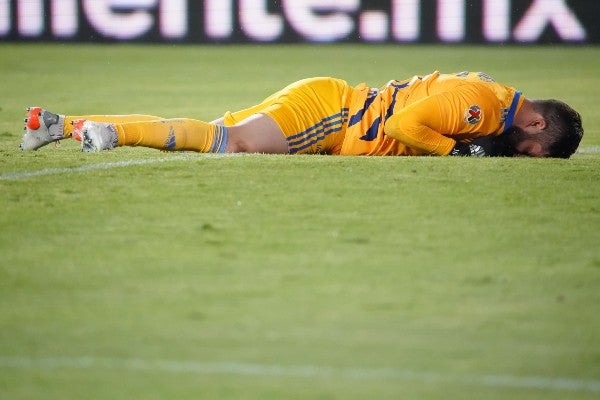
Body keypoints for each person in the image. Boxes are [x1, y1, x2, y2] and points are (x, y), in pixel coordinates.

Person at [20, 71, 583, 158]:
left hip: (328, 105)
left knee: (219, 133)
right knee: (228, 144)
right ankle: (108, 132)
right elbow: (400, 127)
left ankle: (61, 124)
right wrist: (459, 149)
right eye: (531, 153)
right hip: (332, 114)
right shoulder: (482, 108)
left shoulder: (496, 97)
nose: (520, 156)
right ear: (536, 126)